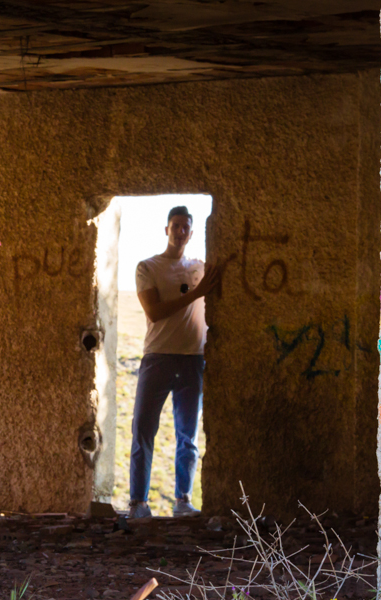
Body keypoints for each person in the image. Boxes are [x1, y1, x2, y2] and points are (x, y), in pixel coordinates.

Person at [128, 206, 216, 519]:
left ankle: (182, 502)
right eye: (175, 226)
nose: (180, 232)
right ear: (166, 229)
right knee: (143, 431)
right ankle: (138, 504)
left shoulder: (200, 268)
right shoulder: (147, 267)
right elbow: (154, 311)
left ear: (192, 233)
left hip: (193, 359)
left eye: (185, 228)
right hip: (158, 356)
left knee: (188, 437)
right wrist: (197, 294)